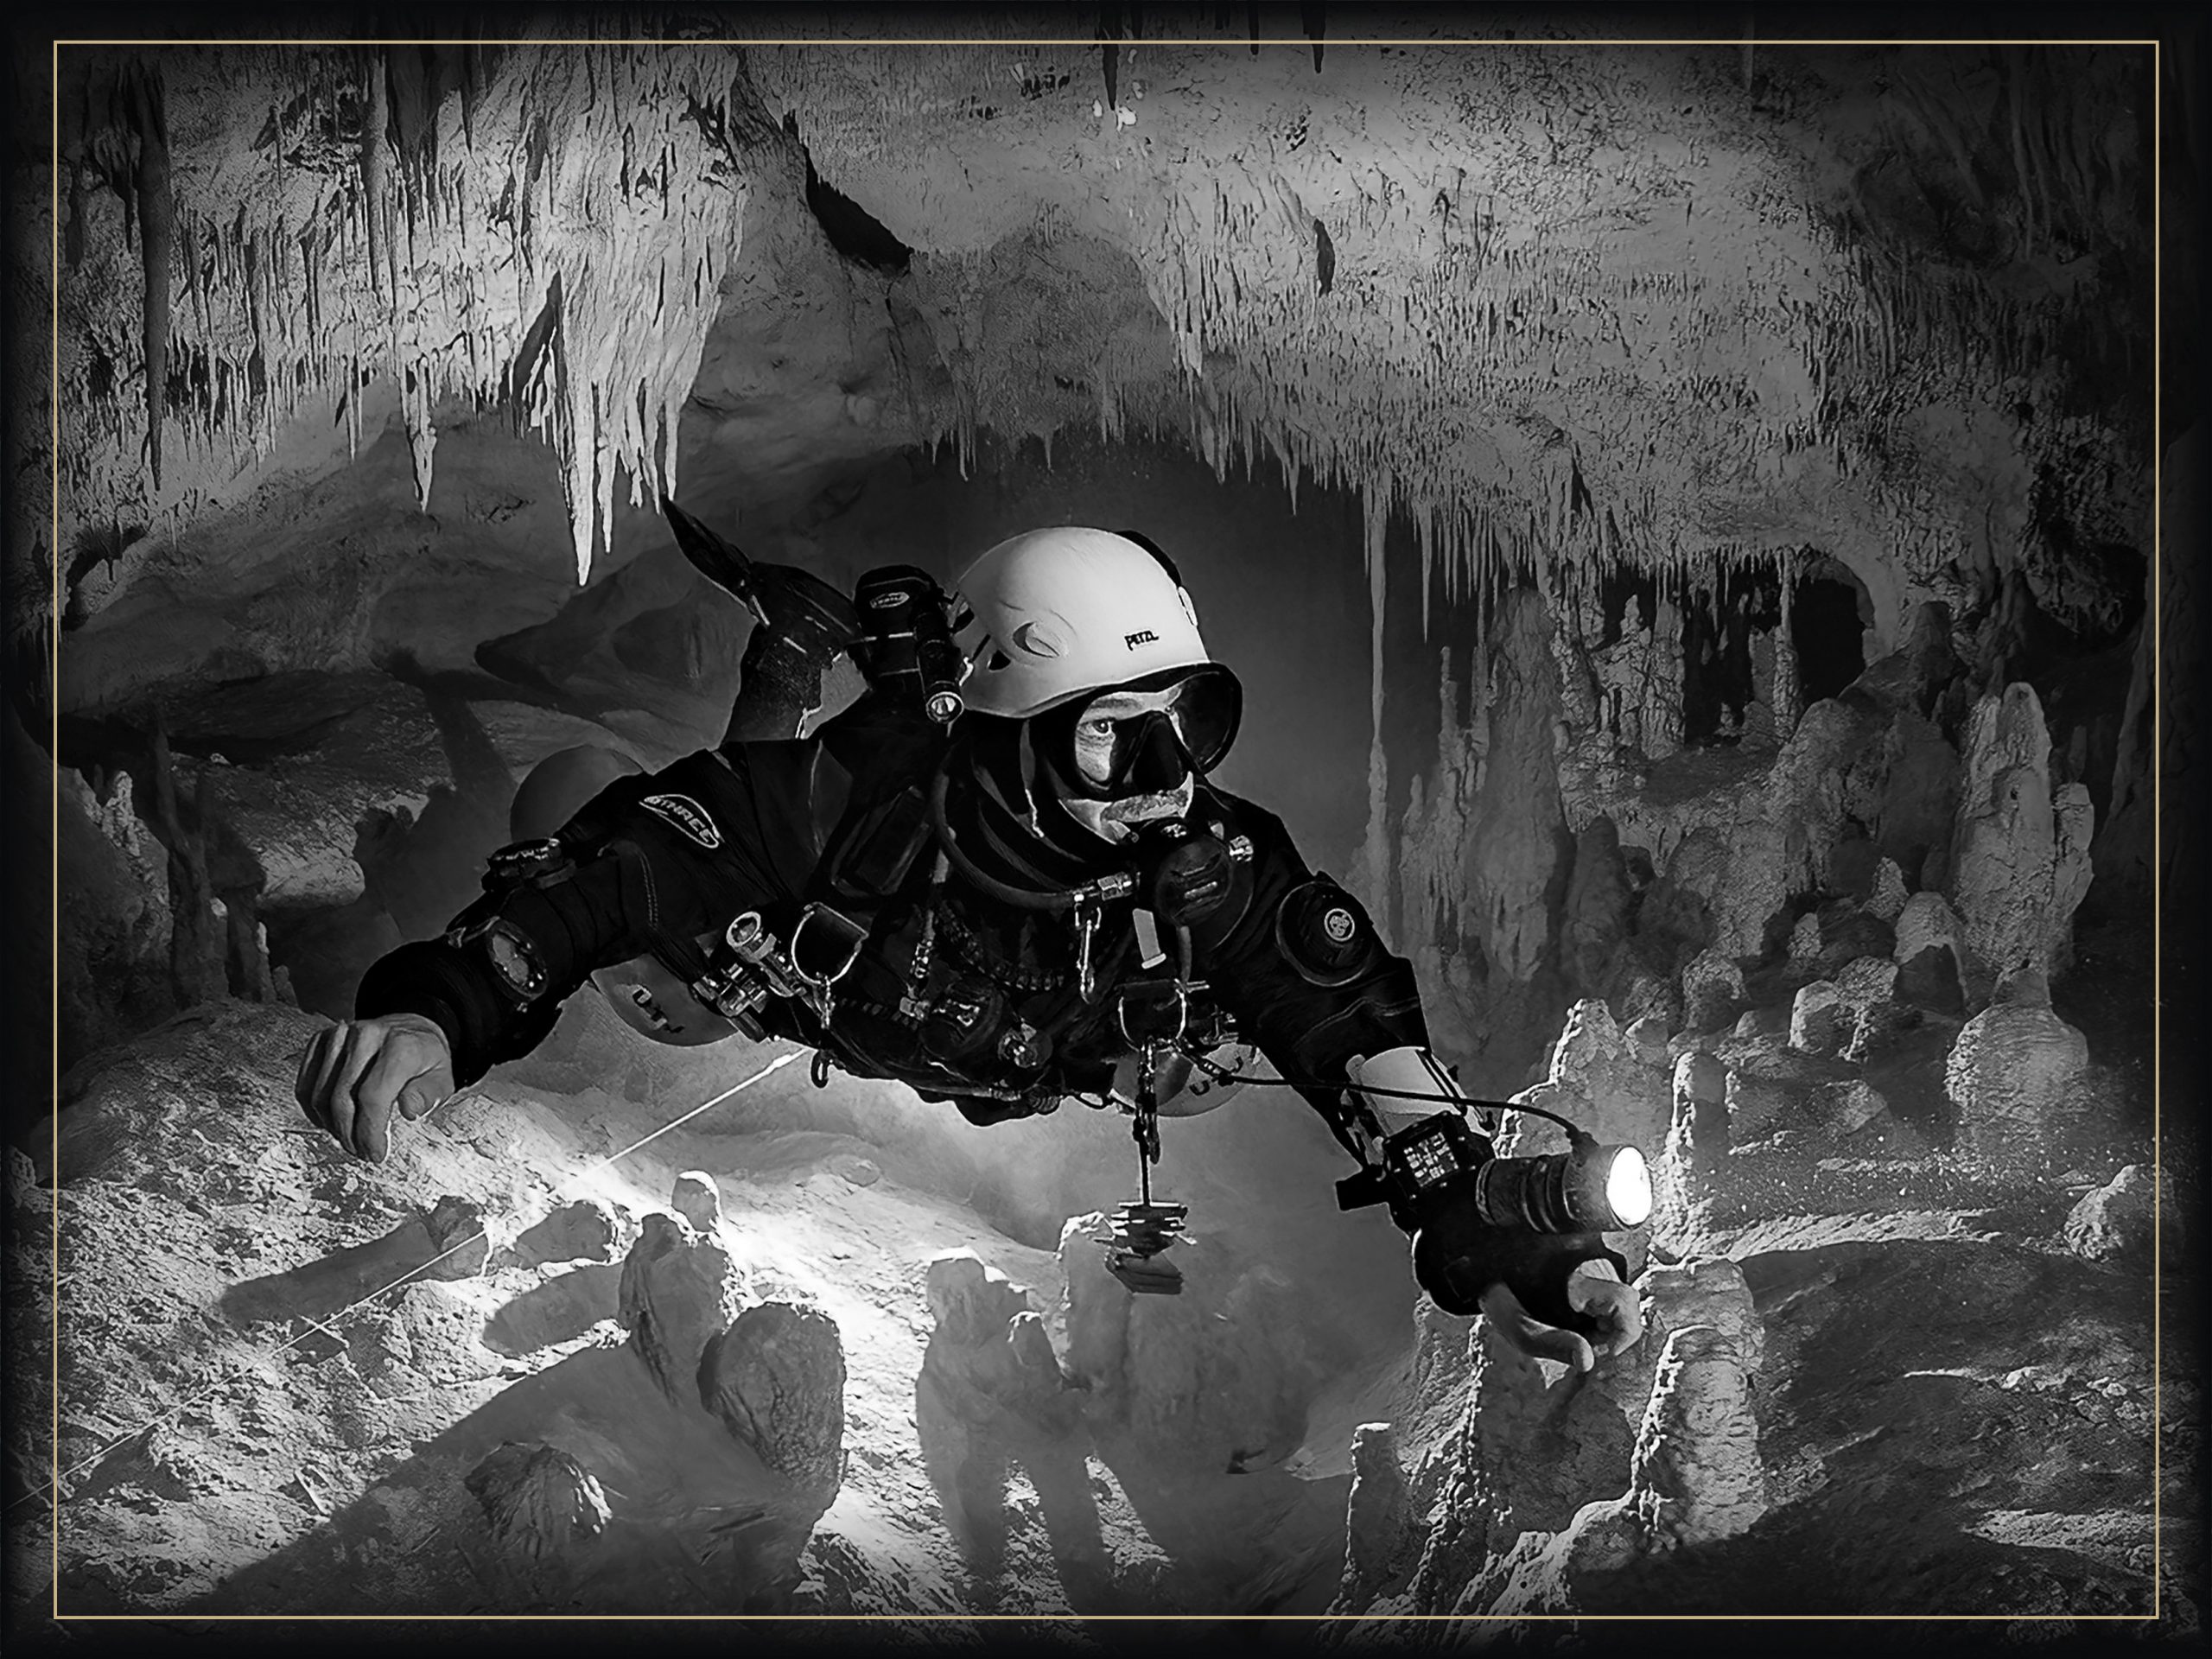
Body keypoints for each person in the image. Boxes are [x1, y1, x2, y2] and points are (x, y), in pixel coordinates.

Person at [296, 524, 1642, 1372]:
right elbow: (598, 882)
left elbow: (1346, 1016)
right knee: (663, 971)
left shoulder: (1208, 860)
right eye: (1116, 732)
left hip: (1004, 1042)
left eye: (1194, 719)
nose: (1170, 779)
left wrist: (1468, 1202)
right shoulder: (842, 813)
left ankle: (800, 651)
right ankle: (785, 663)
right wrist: (440, 1008)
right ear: (1006, 730)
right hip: (783, 975)